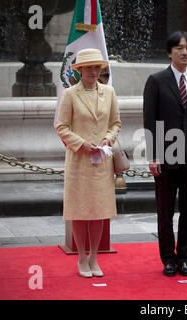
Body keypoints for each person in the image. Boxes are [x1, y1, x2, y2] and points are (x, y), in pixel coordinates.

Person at [143, 31, 187, 277]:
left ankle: (184, 258)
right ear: (169, 52)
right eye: (180, 48)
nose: (185, 52)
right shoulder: (156, 81)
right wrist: (153, 155)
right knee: (165, 212)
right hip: (165, 158)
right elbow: (149, 121)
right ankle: (168, 259)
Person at [56, 48, 121, 278]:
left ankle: (94, 257)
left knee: (99, 210)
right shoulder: (70, 94)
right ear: (80, 70)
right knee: (79, 210)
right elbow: (61, 127)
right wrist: (82, 143)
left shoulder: (110, 92)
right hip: (79, 161)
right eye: (89, 67)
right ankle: (81, 257)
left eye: (97, 67)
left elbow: (116, 123)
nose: (94, 71)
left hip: (101, 161)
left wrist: (107, 139)